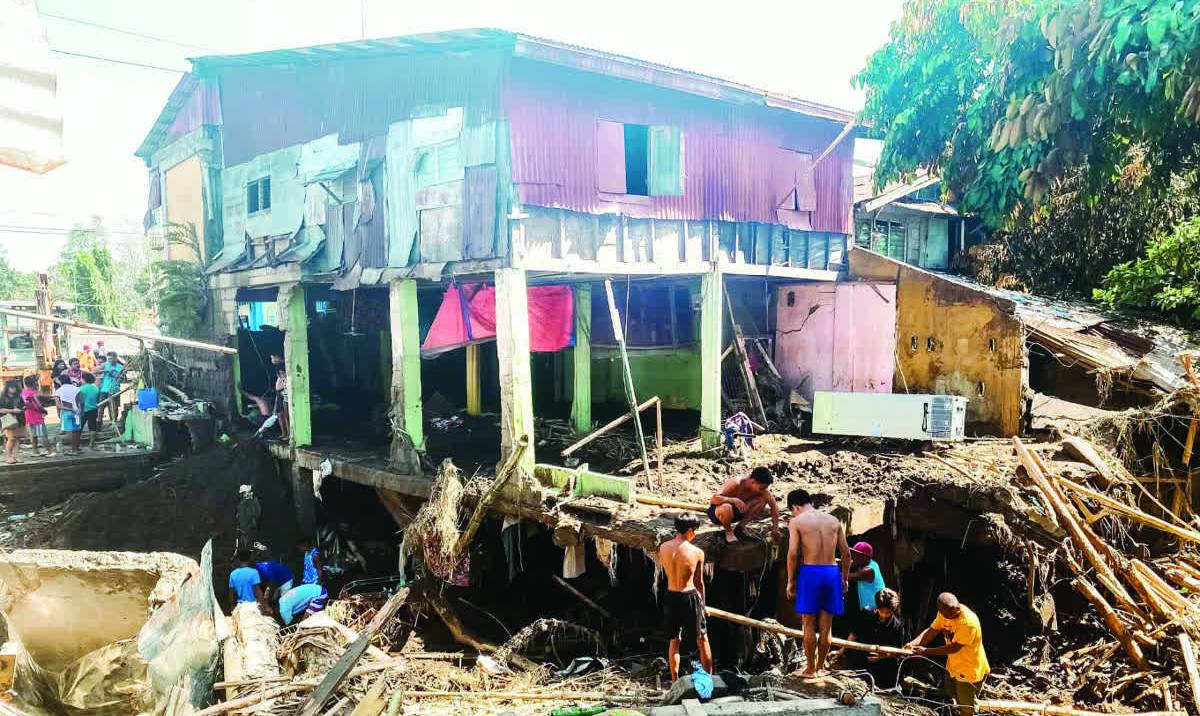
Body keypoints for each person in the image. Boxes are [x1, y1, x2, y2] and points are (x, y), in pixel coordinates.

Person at [785, 488, 851, 678]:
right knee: (826, 625)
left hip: (810, 572)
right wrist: (844, 578)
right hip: (831, 572)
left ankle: (810, 669)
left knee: (808, 624)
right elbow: (846, 554)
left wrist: (790, 581)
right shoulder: (833, 521)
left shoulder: (797, 522)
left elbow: (793, 553)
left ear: (795, 507)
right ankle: (821, 667)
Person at [906, 592, 990, 716]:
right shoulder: (943, 613)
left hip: (968, 670)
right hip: (953, 665)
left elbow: (953, 648)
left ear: (957, 607)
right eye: (946, 614)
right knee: (950, 694)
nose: (950, 616)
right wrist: (912, 643)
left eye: (953, 613)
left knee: (966, 707)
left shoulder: (968, 623)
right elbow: (932, 631)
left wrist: (926, 651)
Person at [658, 512, 714, 681]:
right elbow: (699, 583)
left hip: (670, 595)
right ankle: (709, 679)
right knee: (702, 638)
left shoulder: (663, 547)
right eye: (695, 531)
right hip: (688, 596)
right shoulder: (696, 552)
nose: (695, 535)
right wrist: (703, 606)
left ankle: (675, 681)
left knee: (674, 640)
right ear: (690, 530)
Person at [846, 588, 907, 688]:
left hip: (884, 667)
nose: (883, 615)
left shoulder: (898, 626)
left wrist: (882, 656)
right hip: (862, 659)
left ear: (893, 610)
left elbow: (898, 652)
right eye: (881, 611)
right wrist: (841, 650)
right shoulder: (866, 614)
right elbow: (854, 634)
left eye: (887, 613)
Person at [707, 467, 781, 544]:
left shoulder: (763, 491)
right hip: (718, 513)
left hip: (738, 513)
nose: (764, 490)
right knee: (726, 507)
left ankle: (740, 527)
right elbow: (713, 499)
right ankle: (728, 531)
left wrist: (775, 528)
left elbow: (774, 507)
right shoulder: (736, 482)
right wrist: (733, 500)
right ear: (753, 482)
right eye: (761, 488)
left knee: (762, 500)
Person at [849, 541, 887, 612]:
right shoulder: (870, 563)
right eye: (853, 553)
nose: (853, 556)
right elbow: (847, 563)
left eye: (856, 554)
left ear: (865, 556)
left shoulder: (868, 571)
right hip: (872, 610)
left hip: (876, 611)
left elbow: (847, 577)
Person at [21, 376, 49, 457]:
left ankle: (35, 451)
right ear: (34, 383)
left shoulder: (23, 392)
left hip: (28, 415)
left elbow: (25, 403)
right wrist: (43, 411)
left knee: (33, 434)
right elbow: (37, 405)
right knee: (43, 434)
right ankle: (49, 450)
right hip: (36, 415)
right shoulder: (32, 393)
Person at [54, 378, 82, 455]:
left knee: (70, 431)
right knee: (76, 431)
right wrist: (79, 410)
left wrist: (68, 409)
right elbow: (80, 401)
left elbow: (58, 405)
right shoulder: (77, 389)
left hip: (66, 412)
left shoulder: (58, 391)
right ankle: (76, 448)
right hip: (77, 412)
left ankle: (73, 450)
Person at [0, 381, 25, 464]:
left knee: (17, 438)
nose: (14, 389)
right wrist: (12, 410)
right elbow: (1, 409)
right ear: (7, 388)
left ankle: (15, 456)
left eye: (15, 387)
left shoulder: (18, 396)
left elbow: (23, 406)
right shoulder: (2, 397)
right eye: (12, 387)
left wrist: (23, 408)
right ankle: (8, 457)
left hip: (19, 418)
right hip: (8, 419)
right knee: (11, 438)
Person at [98, 352, 124, 427]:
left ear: (116, 358)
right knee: (101, 406)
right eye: (109, 359)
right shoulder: (105, 365)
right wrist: (105, 371)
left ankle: (113, 422)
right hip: (105, 389)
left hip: (115, 389)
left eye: (112, 358)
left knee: (114, 407)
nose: (110, 360)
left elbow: (123, 378)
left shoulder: (120, 367)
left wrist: (118, 376)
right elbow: (94, 371)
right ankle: (99, 422)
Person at [77, 373, 100, 449]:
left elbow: (80, 401)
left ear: (84, 379)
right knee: (92, 427)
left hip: (83, 410)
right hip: (93, 409)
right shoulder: (95, 388)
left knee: (79, 427)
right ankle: (91, 443)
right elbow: (97, 399)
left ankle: (77, 443)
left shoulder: (81, 389)